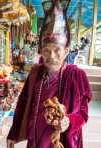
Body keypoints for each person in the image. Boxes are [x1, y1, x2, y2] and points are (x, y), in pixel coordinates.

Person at [7, 0, 92, 148]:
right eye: (46, 50)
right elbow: (22, 104)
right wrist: (13, 133)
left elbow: (83, 114)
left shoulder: (77, 76)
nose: (51, 56)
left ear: (66, 52)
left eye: (57, 50)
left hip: (62, 141)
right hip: (36, 140)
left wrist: (69, 121)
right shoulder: (35, 73)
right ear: (41, 51)